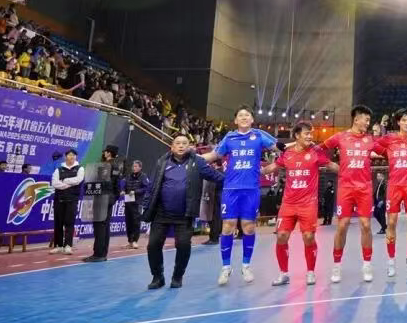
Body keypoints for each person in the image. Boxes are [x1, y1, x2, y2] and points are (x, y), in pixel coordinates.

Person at [200, 106, 278, 285]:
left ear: (252, 119)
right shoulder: (229, 138)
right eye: (240, 115)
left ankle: (246, 265)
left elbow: (279, 148)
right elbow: (214, 155)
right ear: (235, 120)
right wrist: (192, 156)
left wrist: (298, 145)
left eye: (247, 115)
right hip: (231, 189)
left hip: (251, 189)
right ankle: (226, 267)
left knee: (248, 227)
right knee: (228, 226)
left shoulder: (259, 135)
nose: (244, 117)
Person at [142, 133, 224, 289]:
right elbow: (152, 185)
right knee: (153, 245)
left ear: (189, 147)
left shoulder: (197, 163)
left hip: (185, 214)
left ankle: (177, 276)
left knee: (184, 245)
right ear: (172, 147)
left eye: (184, 143)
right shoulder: (162, 162)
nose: (181, 146)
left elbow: (217, 177)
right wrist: (146, 206)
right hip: (161, 212)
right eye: (178, 143)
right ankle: (158, 277)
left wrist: (238, 178)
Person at [266, 122, 338, 286]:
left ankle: (310, 271)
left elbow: (331, 165)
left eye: (311, 133)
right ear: (297, 136)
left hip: (308, 204)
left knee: (308, 237)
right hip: (288, 204)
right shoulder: (288, 154)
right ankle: (283, 273)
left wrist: (349, 172)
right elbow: (273, 167)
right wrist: (257, 171)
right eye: (306, 133)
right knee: (281, 236)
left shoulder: (315, 152)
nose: (310, 136)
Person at [322, 105, 380, 283]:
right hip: (346, 188)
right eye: (366, 120)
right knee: (342, 225)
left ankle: (367, 264)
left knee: (366, 225)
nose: (368, 123)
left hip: (364, 188)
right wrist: (331, 165)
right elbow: (319, 150)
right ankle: (337, 265)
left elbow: (388, 149)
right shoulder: (340, 137)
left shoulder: (370, 140)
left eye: (369, 121)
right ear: (356, 119)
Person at [374, 108, 407, 278]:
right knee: (391, 222)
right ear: (398, 122)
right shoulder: (389, 138)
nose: (406, 123)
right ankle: (391, 261)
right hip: (394, 186)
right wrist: (385, 152)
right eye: (403, 120)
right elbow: (374, 145)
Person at [82, 145, 122, 263]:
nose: (104, 153)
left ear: (108, 153)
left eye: (105, 152)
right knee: (105, 226)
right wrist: (113, 198)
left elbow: (98, 183)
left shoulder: (105, 166)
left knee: (99, 226)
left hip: (101, 198)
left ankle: (98, 254)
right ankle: (103, 253)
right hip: (109, 198)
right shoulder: (116, 166)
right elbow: (117, 186)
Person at [49, 149, 84, 255]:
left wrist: (64, 181)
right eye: (69, 155)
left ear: (76, 157)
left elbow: (78, 180)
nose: (71, 157)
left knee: (69, 223)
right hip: (59, 199)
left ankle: (68, 246)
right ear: (65, 157)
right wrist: (68, 185)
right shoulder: (59, 169)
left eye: (73, 155)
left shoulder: (80, 168)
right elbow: (55, 183)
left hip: (72, 200)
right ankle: (58, 246)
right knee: (58, 223)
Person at [121, 160, 150, 249]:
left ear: (140, 168)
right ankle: (130, 241)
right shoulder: (128, 176)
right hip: (128, 202)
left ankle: (135, 241)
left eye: (136, 166)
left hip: (137, 203)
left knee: (136, 222)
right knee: (128, 222)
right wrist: (122, 190)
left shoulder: (143, 176)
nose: (134, 168)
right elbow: (124, 185)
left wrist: (135, 192)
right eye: (133, 166)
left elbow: (146, 188)